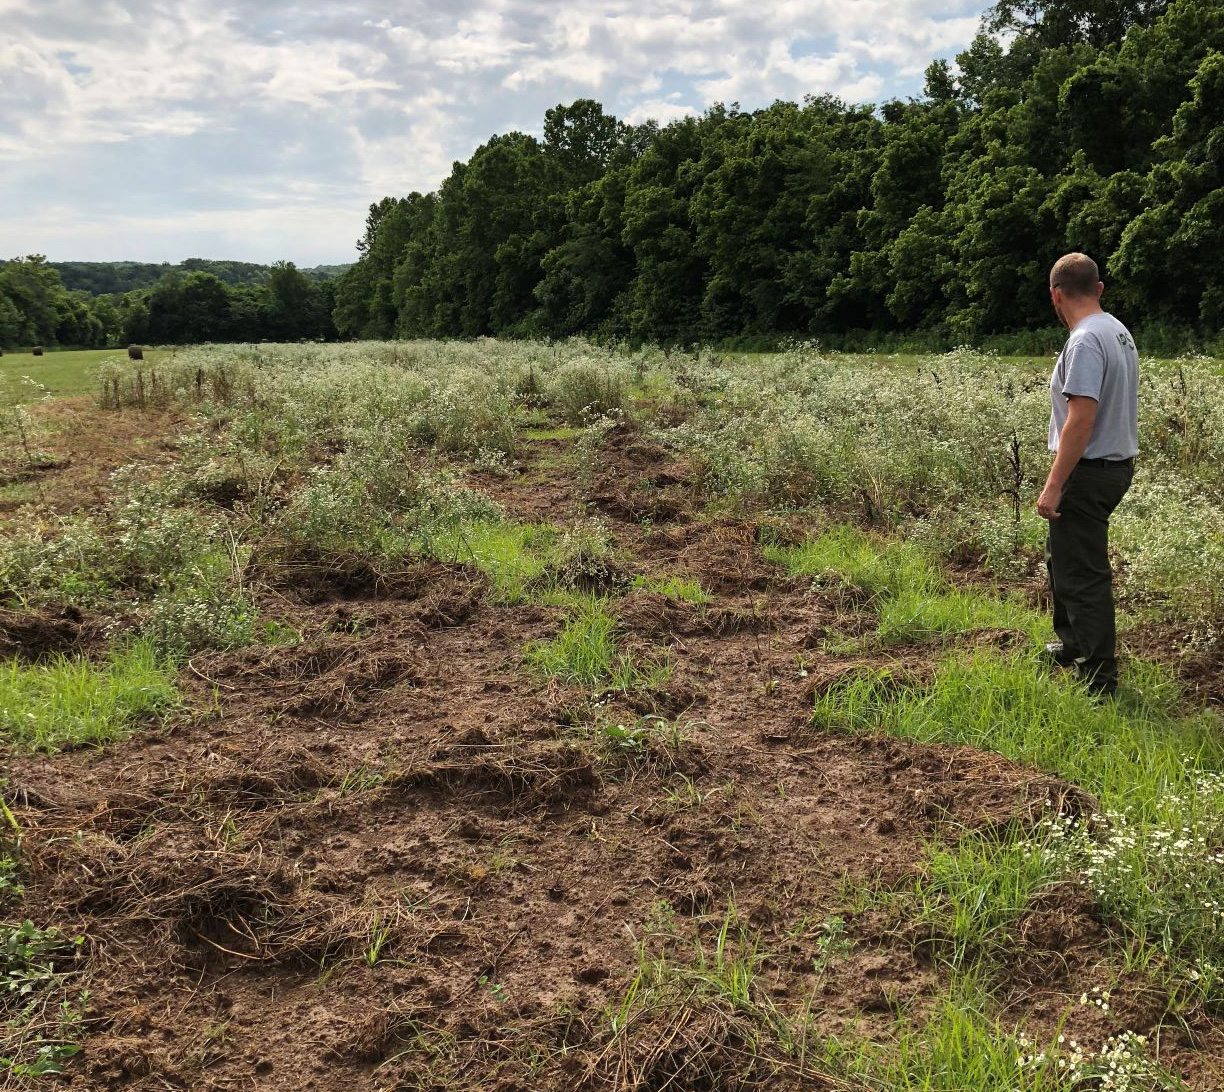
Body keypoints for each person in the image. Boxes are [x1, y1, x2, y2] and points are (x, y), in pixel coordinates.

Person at [1037, 252, 1138, 698]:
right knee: (1063, 560)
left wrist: (1054, 485)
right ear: (1098, 288)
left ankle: (1099, 679)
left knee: (1083, 575)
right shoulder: (1117, 331)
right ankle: (1071, 644)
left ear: (1056, 295)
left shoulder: (1083, 340)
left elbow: (1081, 418)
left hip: (1088, 470)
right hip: (1112, 467)